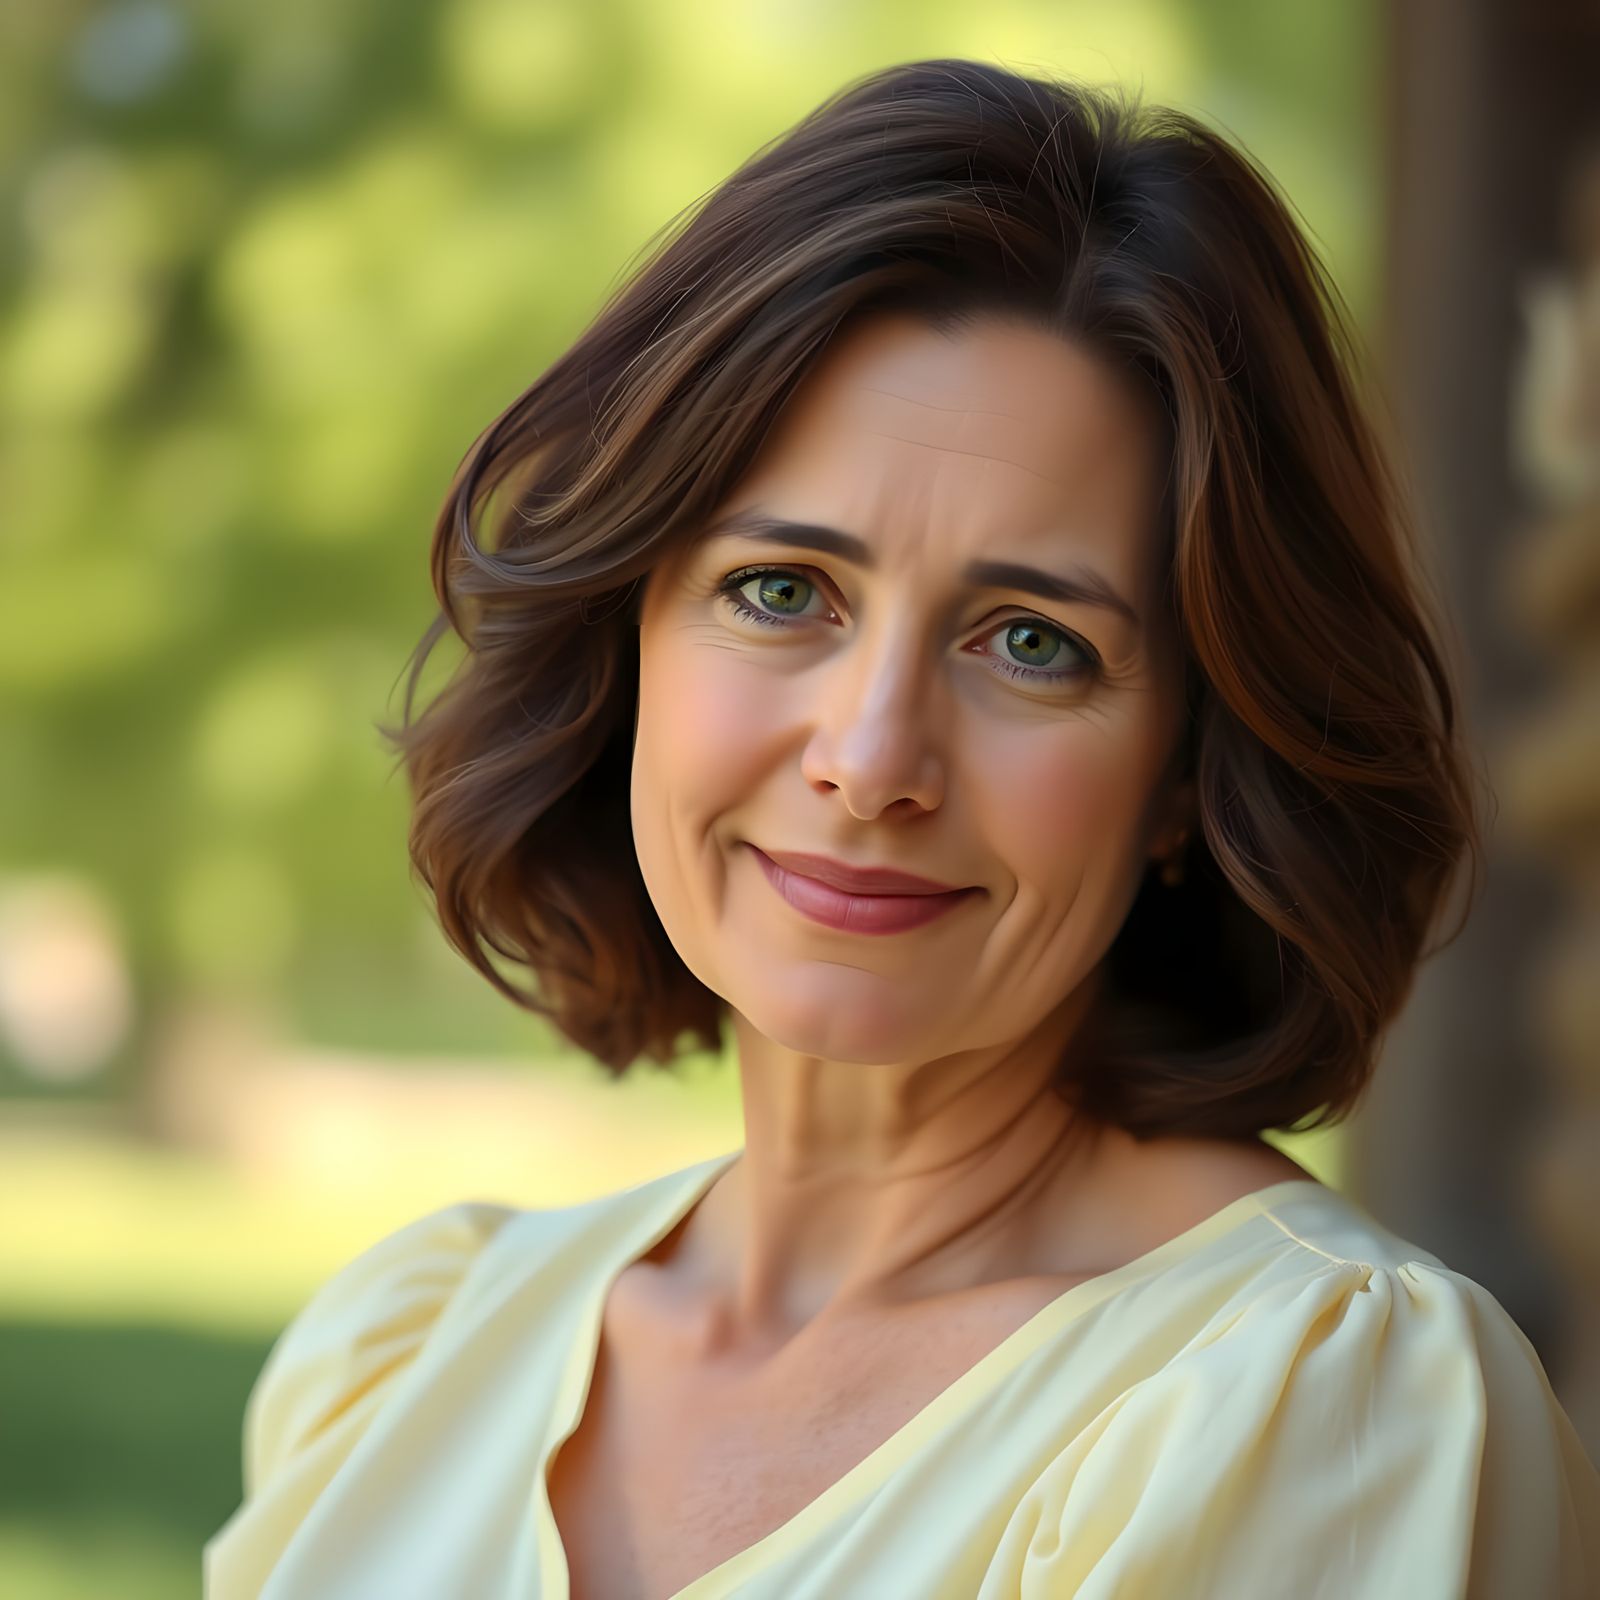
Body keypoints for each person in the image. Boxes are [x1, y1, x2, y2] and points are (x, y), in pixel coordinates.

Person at [203, 58, 1600, 1599]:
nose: (872, 763)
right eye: (782, 592)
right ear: (627, 644)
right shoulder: (410, 1354)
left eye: (1030, 642)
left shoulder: (1312, 1405)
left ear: (1193, 769)